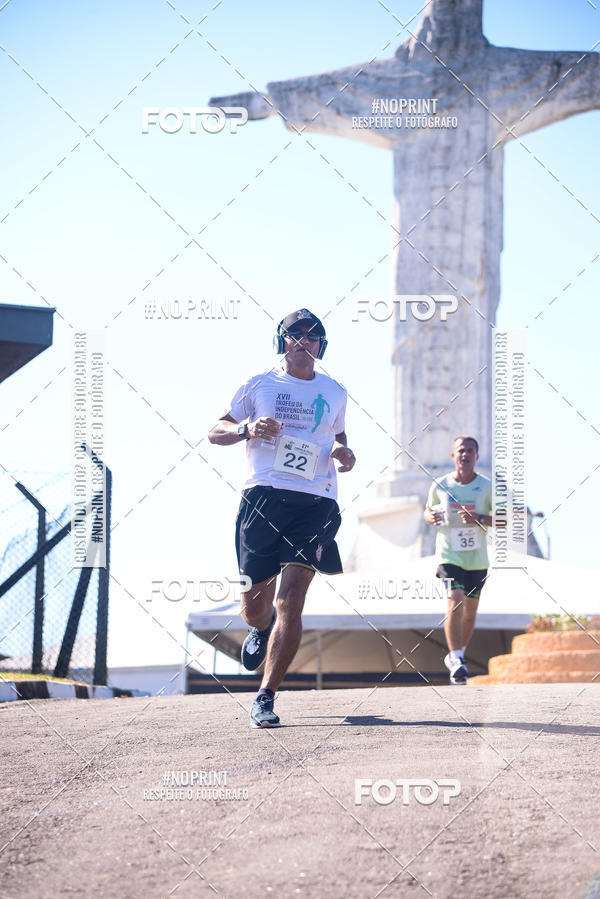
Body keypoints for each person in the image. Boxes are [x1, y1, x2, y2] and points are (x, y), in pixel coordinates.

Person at [208, 309, 356, 727]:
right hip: (264, 497)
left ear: (321, 346)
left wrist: (344, 452)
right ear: (282, 341)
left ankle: (265, 696)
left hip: (316, 500)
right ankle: (260, 628)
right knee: (256, 607)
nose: (303, 341)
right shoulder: (259, 383)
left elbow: (338, 436)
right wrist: (247, 429)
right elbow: (215, 431)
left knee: (291, 598)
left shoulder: (335, 391)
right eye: (295, 334)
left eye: (312, 336)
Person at [424, 436, 492, 684]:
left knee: (470, 613)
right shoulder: (440, 485)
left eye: (470, 451)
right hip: (448, 554)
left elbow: (505, 519)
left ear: (477, 456)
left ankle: (458, 657)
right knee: (456, 600)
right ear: (453, 455)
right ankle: (456, 657)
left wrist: (479, 518)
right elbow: (428, 511)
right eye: (461, 450)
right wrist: (431, 517)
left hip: (476, 559)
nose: (465, 454)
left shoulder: (487, 487)